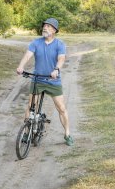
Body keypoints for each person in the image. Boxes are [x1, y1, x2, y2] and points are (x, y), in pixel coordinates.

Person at [16, 18, 74, 146]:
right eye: (44, 26)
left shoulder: (60, 44)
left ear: (54, 30)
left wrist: (56, 69)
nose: (45, 28)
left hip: (53, 80)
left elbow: (61, 59)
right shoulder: (36, 43)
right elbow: (27, 55)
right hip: (38, 79)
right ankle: (27, 132)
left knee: (61, 108)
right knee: (31, 107)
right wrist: (21, 66)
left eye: (48, 26)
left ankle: (67, 134)